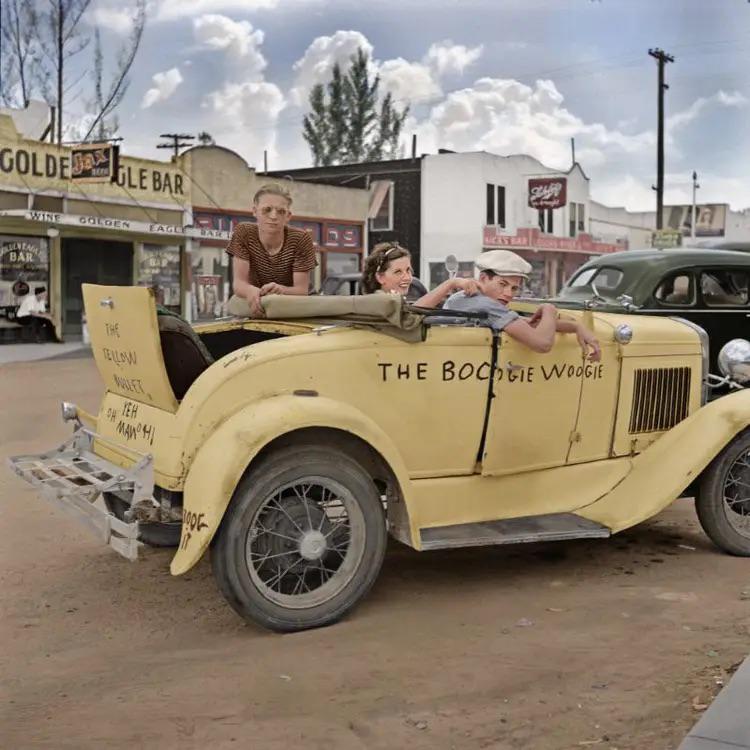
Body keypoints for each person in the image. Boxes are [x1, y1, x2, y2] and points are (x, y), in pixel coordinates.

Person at [443, 250, 601, 361]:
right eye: (502, 284)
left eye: (513, 288)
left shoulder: (462, 297)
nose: (508, 293)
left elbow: (527, 323)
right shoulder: (487, 305)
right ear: (483, 278)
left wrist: (576, 327)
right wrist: (549, 309)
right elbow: (543, 343)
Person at [226, 183, 317, 317]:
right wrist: (250, 290)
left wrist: (280, 290)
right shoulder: (243, 232)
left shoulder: (300, 239)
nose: (273, 216)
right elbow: (239, 283)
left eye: (281, 211)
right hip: (254, 306)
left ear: (288, 216)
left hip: (295, 309)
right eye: (267, 209)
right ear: (254, 211)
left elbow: (302, 290)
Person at [362, 242, 480, 306]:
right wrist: (452, 283)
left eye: (408, 270)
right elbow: (412, 316)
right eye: (398, 272)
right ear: (380, 277)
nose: (407, 277)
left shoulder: (393, 299)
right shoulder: (378, 303)